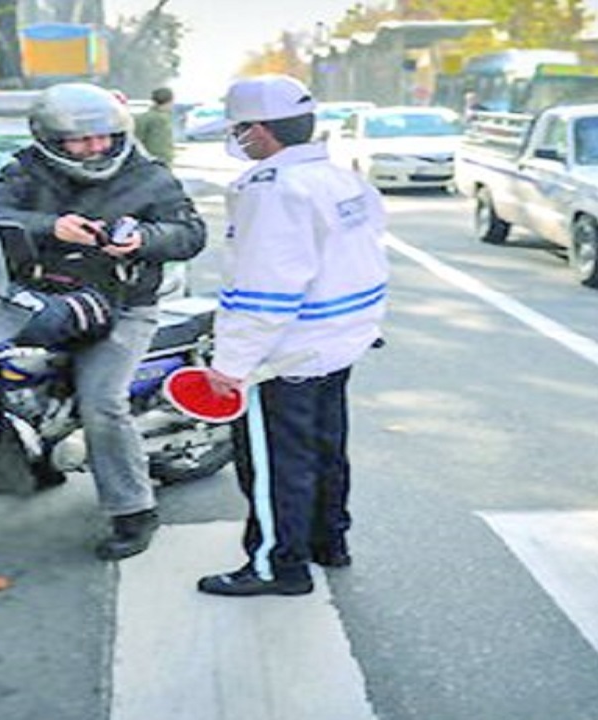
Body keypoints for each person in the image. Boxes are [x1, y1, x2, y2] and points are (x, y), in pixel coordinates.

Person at [0, 83, 207, 559]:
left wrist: (142, 239)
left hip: (122, 305)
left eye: (104, 137)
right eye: (79, 140)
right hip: (41, 296)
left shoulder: (148, 175)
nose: (94, 148)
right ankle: (24, 457)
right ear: (49, 138)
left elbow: (190, 233)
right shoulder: (25, 170)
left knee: (102, 402)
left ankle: (134, 509)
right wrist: (50, 226)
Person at [195, 75, 389, 597]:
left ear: (260, 131)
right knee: (327, 449)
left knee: (276, 463)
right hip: (338, 342)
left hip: (283, 355)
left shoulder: (272, 191)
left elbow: (265, 289)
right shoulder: (340, 178)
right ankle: (330, 541)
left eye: (240, 128)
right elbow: (368, 259)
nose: (237, 138)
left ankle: (276, 565)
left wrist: (230, 366)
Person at [134, 87, 176, 165]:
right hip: (155, 161)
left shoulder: (145, 118)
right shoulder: (157, 119)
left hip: (153, 161)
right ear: (170, 101)